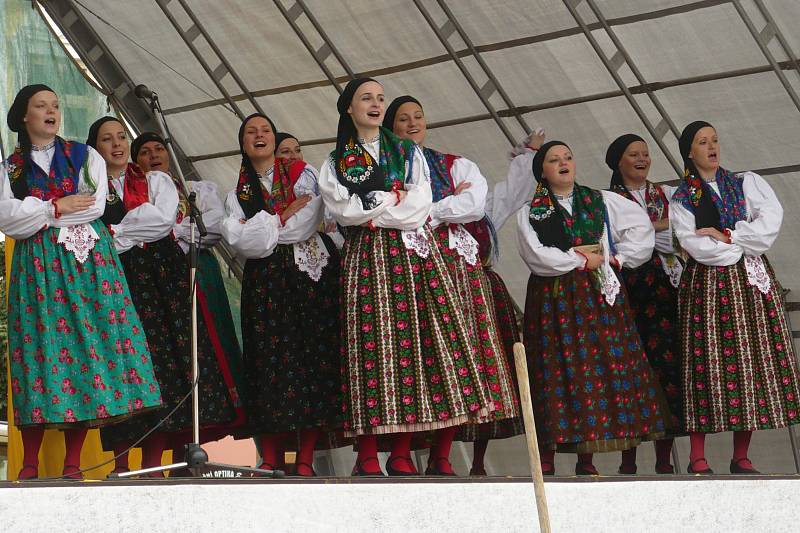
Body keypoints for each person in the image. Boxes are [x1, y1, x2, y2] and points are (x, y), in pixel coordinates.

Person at [318, 78, 497, 476]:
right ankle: (367, 455)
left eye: (380, 98)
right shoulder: (334, 162)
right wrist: (390, 198)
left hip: (415, 256)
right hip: (367, 260)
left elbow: (419, 208)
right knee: (371, 351)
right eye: (367, 98)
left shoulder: (408, 152)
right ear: (348, 107)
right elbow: (344, 212)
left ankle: (401, 452)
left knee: (418, 346)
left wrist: (375, 205)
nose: (376, 104)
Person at [1, 86, 162, 480]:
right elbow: (6, 219)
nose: (51, 111)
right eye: (41, 106)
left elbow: (93, 204)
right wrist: (56, 206)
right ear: (24, 115)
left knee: (87, 349)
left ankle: (73, 463)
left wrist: (38, 214)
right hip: (38, 268)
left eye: (56, 105)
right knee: (39, 350)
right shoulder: (11, 167)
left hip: (88, 263)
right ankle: (29, 465)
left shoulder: (84, 154)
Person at [87, 119, 237, 475]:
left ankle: (157, 465)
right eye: (107, 140)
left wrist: (115, 232)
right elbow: (96, 228)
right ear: (95, 148)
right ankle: (121, 465)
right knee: (122, 365)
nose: (117, 144)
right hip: (116, 280)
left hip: (162, 278)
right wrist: (129, 228)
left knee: (167, 366)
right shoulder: (91, 187)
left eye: (122, 137)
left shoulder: (154, 181)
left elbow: (162, 220)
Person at [383, 95, 520, 476]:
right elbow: (385, 208)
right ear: (389, 128)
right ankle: (401, 451)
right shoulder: (384, 165)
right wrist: (444, 203)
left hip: (460, 270)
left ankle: (442, 454)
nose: (412, 124)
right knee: (418, 355)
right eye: (403, 119)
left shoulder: (452, 163)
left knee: (463, 357)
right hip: (413, 266)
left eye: (418, 116)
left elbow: (474, 204)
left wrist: (424, 208)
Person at [517, 140, 666, 475]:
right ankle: (547, 457)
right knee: (554, 369)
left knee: (595, 370)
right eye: (554, 159)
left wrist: (619, 258)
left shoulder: (598, 200)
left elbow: (640, 227)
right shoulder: (533, 210)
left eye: (568, 157)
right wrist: (578, 258)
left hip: (597, 296)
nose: (563, 163)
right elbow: (535, 254)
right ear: (542, 170)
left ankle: (588, 459)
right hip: (553, 298)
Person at [670, 121, 800, 474]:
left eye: (714, 140)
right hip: (709, 287)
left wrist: (728, 236)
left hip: (751, 284)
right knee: (706, 363)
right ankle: (698, 455)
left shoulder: (744, 183)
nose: (712, 147)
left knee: (752, 361)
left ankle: (741, 454)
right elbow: (696, 245)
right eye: (702, 142)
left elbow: (769, 224)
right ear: (689, 152)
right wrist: (738, 242)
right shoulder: (683, 198)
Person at [222, 113, 341, 477]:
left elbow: (303, 223)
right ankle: (271, 457)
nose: (259, 135)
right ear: (242, 143)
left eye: (266, 130)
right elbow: (242, 243)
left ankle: (305, 459)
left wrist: (264, 225)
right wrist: (279, 216)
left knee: (311, 359)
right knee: (266, 363)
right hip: (265, 283)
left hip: (308, 276)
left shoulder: (303, 174)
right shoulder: (235, 194)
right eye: (251, 132)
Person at [131, 131, 247, 444]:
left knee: (211, 344)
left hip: (198, 269)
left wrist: (172, 231)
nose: (154, 155)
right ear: (136, 161)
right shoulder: (133, 195)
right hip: (158, 277)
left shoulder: (194, 189)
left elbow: (212, 228)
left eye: (159, 149)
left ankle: (209, 428)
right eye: (144, 151)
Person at [606, 134, 684, 474]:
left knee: (668, 368)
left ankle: (665, 458)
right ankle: (628, 459)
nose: (642, 159)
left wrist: (644, 231)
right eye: (633, 154)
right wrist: (657, 230)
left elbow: (684, 233)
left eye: (645, 153)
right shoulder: (607, 199)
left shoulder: (667, 194)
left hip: (668, 287)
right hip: (630, 287)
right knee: (632, 369)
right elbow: (613, 239)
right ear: (618, 162)